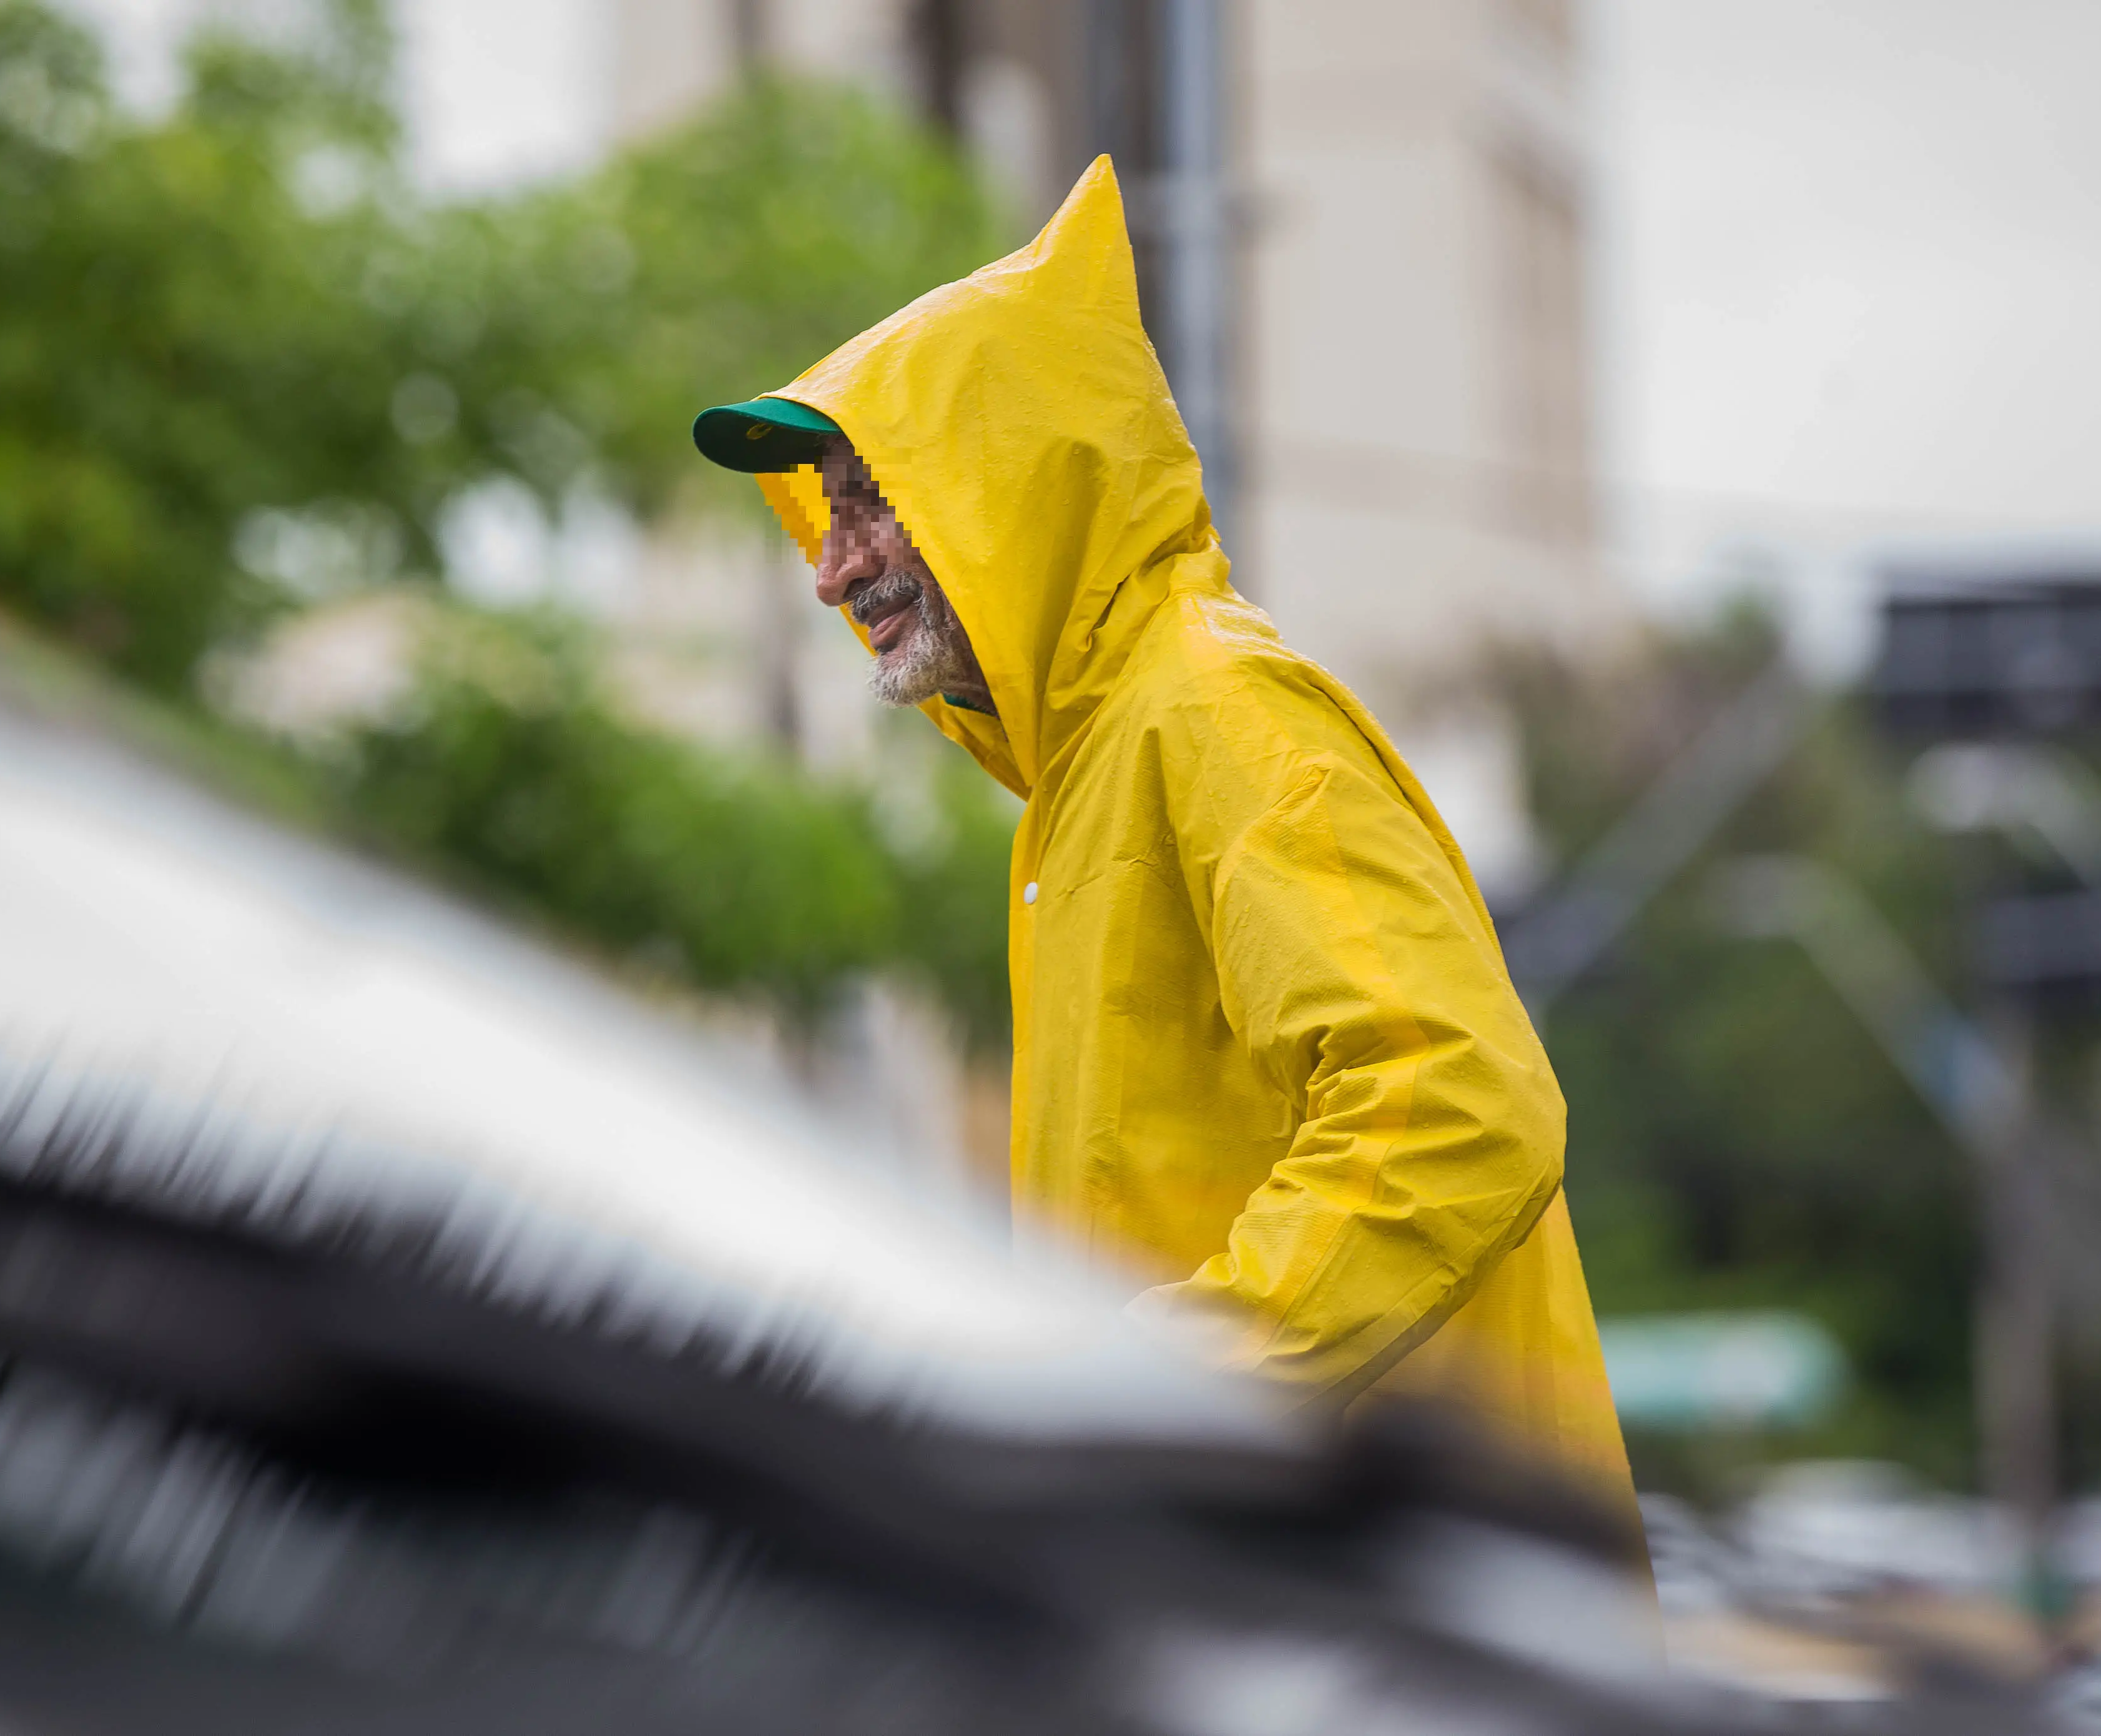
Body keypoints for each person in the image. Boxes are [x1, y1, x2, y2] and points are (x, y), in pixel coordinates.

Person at [692, 159, 1638, 1529]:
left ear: (1012, 485)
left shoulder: (1216, 715)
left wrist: (1164, 1396)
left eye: (868, 499)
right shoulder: (1090, 773)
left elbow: (1457, 1107)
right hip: (1273, 1582)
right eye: (826, 515)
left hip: (1394, 1610)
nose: (832, 567)